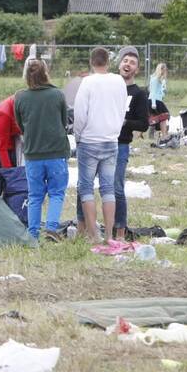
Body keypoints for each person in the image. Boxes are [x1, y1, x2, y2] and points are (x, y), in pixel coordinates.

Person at [73, 47, 126, 242]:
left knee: (86, 188)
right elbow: (122, 109)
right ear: (108, 62)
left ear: (91, 62)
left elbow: (79, 114)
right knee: (108, 188)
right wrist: (115, 131)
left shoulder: (87, 83)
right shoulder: (119, 81)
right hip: (111, 140)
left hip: (89, 141)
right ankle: (110, 234)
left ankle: (93, 233)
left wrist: (78, 136)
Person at [14, 59, 69, 241]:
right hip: (56, 152)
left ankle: (33, 233)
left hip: (32, 153)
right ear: (46, 73)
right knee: (56, 192)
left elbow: (21, 126)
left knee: (35, 195)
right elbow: (63, 123)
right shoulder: (57, 95)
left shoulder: (20, 97)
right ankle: (52, 228)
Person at [112, 47, 149, 240]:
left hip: (121, 145)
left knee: (117, 187)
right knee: (90, 187)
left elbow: (144, 124)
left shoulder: (139, 94)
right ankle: (90, 227)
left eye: (132, 62)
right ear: (119, 64)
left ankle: (120, 230)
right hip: (101, 143)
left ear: (137, 69)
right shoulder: (109, 86)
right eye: (125, 60)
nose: (127, 64)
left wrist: (124, 122)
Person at [149, 63, 169, 139]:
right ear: (160, 70)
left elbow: (160, 93)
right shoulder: (155, 79)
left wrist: (163, 90)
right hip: (154, 101)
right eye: (164, 69)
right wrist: (153, 103)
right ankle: (164, 135)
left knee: (154, 118)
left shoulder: (161, 80)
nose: (165, 71)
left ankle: (151, 135)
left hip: (158, 100)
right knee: (164, 116)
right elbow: (153, 91)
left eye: (165, 70)